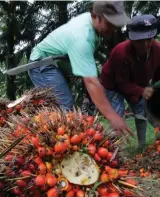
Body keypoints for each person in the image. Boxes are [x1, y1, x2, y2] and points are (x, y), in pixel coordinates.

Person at [28, 1, 133, 138]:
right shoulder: (82, 37)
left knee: (64, 112)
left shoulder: (91, 24)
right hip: (42, 64)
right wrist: (113, 116)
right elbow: (90, 81)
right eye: (110, 23)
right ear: (95, 16)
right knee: (64, 110)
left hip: (56, 64)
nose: (114, 28)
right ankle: (43, 144)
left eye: (116, 24)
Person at [101, 14, 160, 149]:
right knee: (117, 115)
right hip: (113, 85)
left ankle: (141, 145)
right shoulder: (120, 52)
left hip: (137, 84)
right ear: (132, 40)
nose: (145, 44)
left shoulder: (157, 50)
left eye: (148, 39)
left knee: (141, 111)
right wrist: (141, 91)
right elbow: (121, 83)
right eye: (139, 41)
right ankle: (115, 149)